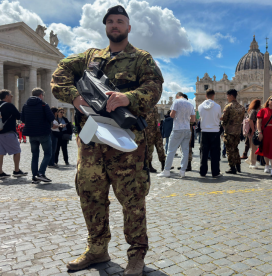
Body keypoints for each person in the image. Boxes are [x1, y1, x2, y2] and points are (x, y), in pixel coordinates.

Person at [51, 5, 164, 275]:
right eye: (111, 21)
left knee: (132, 199)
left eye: (120, 21)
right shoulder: (90, 57)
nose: (115, 25)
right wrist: (74, 97)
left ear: (128, 27)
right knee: (90, 195)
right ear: (106, 27)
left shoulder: (141, 58)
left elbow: (154, 88)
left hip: (125, 142)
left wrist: (128, 98)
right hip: (91, 142)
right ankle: (97, 249)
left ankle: (136, 255)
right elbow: (58, 76)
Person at [21, 88, 55, 183]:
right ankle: (41, 173)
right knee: (48, 154)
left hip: (31, 134)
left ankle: (34, 177)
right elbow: (51, 117)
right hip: (43, 132)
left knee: (35, 155)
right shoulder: (44, 105)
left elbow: (23, 119)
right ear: (40, 95)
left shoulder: (25, 105)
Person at [158, 92, 195, 177]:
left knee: (171, 150)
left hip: (177, 128)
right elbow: (193, 119)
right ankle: (182, 171)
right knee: (185, 151)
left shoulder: (177, 102)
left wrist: (178, 116)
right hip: (187, 129)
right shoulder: (190, 104)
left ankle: (166, 170)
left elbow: (172, 115)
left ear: (177, 96)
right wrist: (185, 118)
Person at [0, 89, 27, 179]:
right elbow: (19, 116)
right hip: (8, 132)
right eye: (11, 96)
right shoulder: (9, 105)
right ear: (6, 96)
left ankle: (0, 172)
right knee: (17, 150)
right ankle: (16, 170)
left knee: (0, 153)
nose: (11, 98)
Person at [198, 88, 222, 177]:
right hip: (215, 131)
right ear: (213, 96)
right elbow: (219, 117)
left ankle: (203, 172)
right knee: (215, 153)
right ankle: (215, 173)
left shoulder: (200, 106)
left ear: (205, 96)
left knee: (203, 152)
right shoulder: (217, 106)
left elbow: (200, 117)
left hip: (204, 131)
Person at [221, 89, 245, 174]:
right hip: (237, 131)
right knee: (235, 149)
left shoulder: (228, 106)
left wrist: (222, 123)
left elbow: (224, 119)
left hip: (229, 132)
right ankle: (238, 166)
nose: (227, 98)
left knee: (229, 150)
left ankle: (232, 167)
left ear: (231, 96)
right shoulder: (242, 107)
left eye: (227, 96)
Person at [145, 106, 166, 173]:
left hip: (157, 130)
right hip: (148, 131)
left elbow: (157, 118)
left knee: (160, 147)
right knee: (149, 148)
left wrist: (158, 126)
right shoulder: (145, 106)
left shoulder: (155, 107)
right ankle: (149, 165)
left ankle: (163, 165)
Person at [246, 99, 261, 169]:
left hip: (253, 131)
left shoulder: (251, 111)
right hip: (253, 131)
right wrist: (253, 129)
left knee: (254, 147)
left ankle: (250, 159)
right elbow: (250, 120)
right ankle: (252, 163)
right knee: (254, 148)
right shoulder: (254, 111)